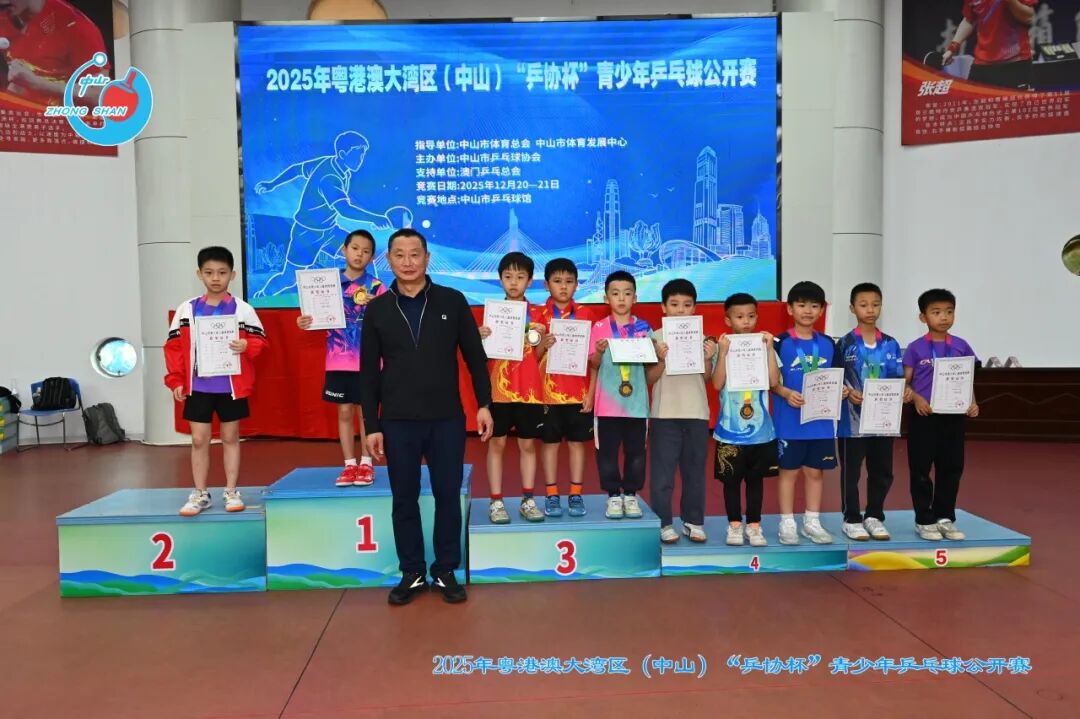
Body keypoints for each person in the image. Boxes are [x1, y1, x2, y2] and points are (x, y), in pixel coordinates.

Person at [360, 228, 493, 605]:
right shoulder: (377, 309)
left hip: (445, 418)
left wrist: (484, 404)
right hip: (397, 421)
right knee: (403, 498)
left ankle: (446, 569)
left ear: (427, 258)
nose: (408, 262)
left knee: (447, 494)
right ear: (388, 260)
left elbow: (475, 357)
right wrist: (372, 425)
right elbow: (368, 372)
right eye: (399, 255)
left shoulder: (452, 300)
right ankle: (413, 572)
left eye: (415, 254)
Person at [164, 246, 268, 517]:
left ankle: (231, 490)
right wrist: (176, 380)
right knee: (199, 439)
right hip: (198, 386)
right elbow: (173, 348)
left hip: (231, 386)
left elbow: (260, 342)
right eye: (209, 272)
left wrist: (247, 345)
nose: (215, 278)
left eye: (222, 273)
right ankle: (200, 493)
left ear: (232, 275)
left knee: (230, 437)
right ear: (199, 274)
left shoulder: (243, 310)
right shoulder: (187, 310)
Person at [253, 131, 405, 298]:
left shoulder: (333, 164)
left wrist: (272, 184)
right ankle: (262, 296)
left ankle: (377, 299)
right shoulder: (329, 177)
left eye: (363, 154)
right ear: (342, 154)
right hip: (307, 233)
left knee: (365, 257)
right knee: (289, 278)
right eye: (357, 154)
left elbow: (297, 170)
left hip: (330, 230)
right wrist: (374, 218)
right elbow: (344, 209)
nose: (361, 159)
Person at [296, 230, 385, 487]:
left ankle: (366, 463)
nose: (359, 254)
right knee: (344, 412)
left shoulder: (377, 287)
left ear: (372, 257)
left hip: (369, 361)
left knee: (367, 413)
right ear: (344, 250)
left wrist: (377, 309)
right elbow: (314, 317)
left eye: (366, 251)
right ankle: (349, 464)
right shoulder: (327, 284)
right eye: (355, 248)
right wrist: (305, 322)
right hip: (338, 359)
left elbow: (388, 324)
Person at [771, 281, 846, 545]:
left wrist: (842, 390)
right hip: (789, 422)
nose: (808, 311)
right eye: (801, 305)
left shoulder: (828, 344)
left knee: (815, 472)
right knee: (788, 472)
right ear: (790, 309)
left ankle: (812, 521)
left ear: (822, 310)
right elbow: (770, 380)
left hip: (820, 422)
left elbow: (837, 377)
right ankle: (787, 522)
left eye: (814, 306)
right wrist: (785, 393)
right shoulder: (778, 342)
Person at [903, 289, 979, 541]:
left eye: (949, 312)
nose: (944, 317)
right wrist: (916, 398)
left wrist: (972, 402)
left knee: (952, 467)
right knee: (921, 469)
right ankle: (924, 519)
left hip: (953, 417)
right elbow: (905, 383)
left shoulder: (961, 346)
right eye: (936, 312)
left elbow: (967, 378)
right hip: (924, 417)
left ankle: (945, 517)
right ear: (923, 317)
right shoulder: (915, 348)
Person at [477, 252, 547, 524]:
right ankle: (496, 501)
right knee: (497, 444)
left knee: (527, 445)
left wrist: (544, 343)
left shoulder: (539, 314)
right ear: (500, 279)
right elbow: (481, 356)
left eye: (520, 277)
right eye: (508, 277)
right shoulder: (492, 314)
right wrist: (479, 337)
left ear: (529, 281)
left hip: (529, 392)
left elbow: (538, 356)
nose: (514, 282)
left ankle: (528, 499)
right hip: (499, 391)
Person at [646, 279, 717, 543]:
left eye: (687, 305)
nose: (680, 310)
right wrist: (661, 359)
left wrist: (708, 358)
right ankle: (663, 522)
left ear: (694, 308)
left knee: (695, 472)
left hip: (696, 412)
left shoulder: (703, 339)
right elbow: (649, 378)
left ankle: (693, 521)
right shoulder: (654, 337)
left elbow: (706, 378)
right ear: (663, 307)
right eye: (674, 304)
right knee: (662, 475)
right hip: (664, 414)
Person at [837, 283, 905, 541]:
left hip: (883, 420)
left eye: (875, 304)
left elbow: (897, 377)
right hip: (851, 422)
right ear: (852, 308)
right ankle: (851, 518)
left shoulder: (890, 344)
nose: (870, 310)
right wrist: (846, 390)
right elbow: (835, 377)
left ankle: (874, 516)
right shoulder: (844, 344)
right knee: (851, 472)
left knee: (882, 470)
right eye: (863, 305)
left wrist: (902, 392)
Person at [711, 293, 779, 547]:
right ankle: (734, 525)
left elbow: (773, 381)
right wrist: (723, 353)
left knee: (755, 480)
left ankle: (754, 525)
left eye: (751, 316)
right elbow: (717, 383)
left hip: (761, 431)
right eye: (739, 317)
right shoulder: (723, 347)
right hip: (730, 431)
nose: (746, 321)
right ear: (728, 320)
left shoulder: (764, 345)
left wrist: (769, 349)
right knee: (731, 482)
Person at [588, 271, 654, 520]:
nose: (621, 298)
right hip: (607, 405)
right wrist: (598, 352)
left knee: (636, 452)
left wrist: (656, 350)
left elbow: (652, 363)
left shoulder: (643, 328)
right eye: (615, 294)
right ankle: (613, 495)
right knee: (607, 453)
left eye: (627, 293)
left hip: (636, 405)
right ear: (606, 298)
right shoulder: (599, 328)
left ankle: (631, 494)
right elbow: (593, 364)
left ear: (635, 298)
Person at [537, 258, 594, 517]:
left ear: (577, 285)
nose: (563, 287)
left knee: (576, 444)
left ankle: (575, 494)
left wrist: (590, 393)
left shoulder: (586, 315)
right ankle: (551, 494)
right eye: (557, 281)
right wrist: (543, 345)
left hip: (578, 394)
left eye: (569, 282)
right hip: (545, 396)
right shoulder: (537, 316)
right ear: (546, 284)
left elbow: (594, 361)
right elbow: (529, 358)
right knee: (549, 444)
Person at [0, 0, 109, 106]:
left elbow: (100, 95)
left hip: (57, 115)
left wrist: (38, 84)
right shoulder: (5, 14)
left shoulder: (77, 27)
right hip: (15, 112)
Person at [942, 0, 1036, 89]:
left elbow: (1028, 17)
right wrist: (953, 47)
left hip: (1015, 63)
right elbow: (969, 20)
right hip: (982, 64)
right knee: (973, 100)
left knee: (1013, 101)